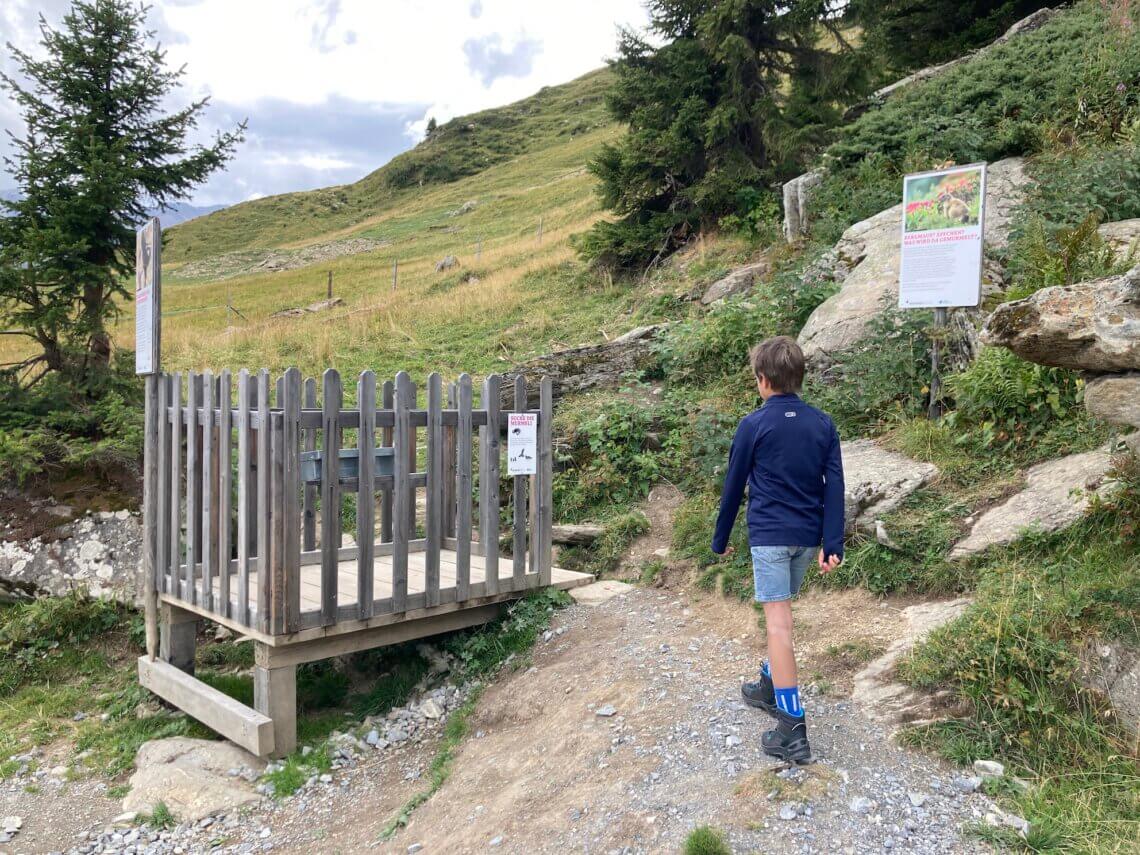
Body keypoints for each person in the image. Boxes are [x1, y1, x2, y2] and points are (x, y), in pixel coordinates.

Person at [710, 336, 845, 764]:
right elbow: (835, 486)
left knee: (779, 625)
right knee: (782, 615)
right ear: (799, 378)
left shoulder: (753, 425)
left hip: (769, 535)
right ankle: (770, 683)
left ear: (762, 381)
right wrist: (833, 541)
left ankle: (792, 727)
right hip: (807, 539)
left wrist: (719, 539)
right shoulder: (823, 424)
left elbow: (733, 486)